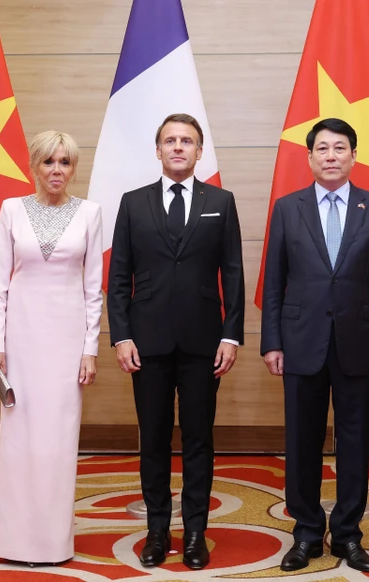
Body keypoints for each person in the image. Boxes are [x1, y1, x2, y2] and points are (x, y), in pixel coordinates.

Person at [260, 118, 369, 573]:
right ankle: (306, 533)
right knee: (301, 442)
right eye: (322, 148)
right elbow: (274, 281)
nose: (330, 156)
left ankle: (347, 534)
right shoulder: (287, 208)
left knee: (355, 443)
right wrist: (271, 341)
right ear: (309, 157)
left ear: (354, 156)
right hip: (300, 342)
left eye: (339, 148)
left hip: (359, 341)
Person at [107, 113, 245, 570]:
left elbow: (233, 273)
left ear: (200, 151)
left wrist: (231, 335)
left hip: (204, 342)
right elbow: (119, 276)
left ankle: (196, 534)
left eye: (187, 141)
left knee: (199, 439)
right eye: (170, 141)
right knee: (153, 440)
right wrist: (121, 336)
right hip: (146, 343)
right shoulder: (133, 203)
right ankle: (157, 531)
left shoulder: (220, 201)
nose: (179, 147)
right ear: (158, 150)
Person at [0, 131, 103, 565]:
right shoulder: (11, 209)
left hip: (67, 341)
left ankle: (53, 543)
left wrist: (90, 349)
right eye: (49, 162)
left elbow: (94, 289)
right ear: (34, 166)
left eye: (65, 162)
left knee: (59, 440)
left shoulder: (90, 213)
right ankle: (14, 542)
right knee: (19, 438)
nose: (57, 170)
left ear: (74, 168)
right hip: (20, 338)